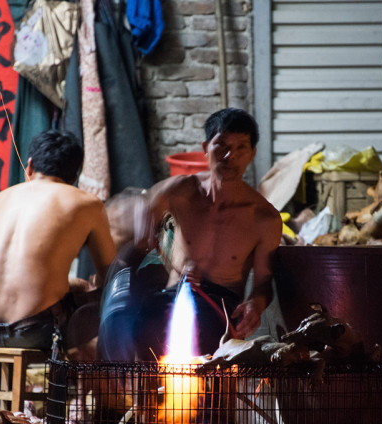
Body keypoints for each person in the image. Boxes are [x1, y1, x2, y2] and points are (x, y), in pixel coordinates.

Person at [98, 108, 282, 361]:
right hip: (172, 298)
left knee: (198, 342)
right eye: (222, 146)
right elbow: (125, 214)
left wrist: (255, 305)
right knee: (130, 321)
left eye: (241, 148)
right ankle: (134, 392)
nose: (231, 156)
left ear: (252, 153)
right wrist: (144, 230)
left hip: (218, 308)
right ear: (206, 148)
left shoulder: (264, 218)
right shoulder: (182, 191)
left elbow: (263, 282)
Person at [0, 129, 117, 390]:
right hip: (33, 330)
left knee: (72, 289)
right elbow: (111, 274)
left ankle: (1, 397)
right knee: (106, 302)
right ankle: (88, 397)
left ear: (31, 165)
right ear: (75, 175)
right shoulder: (87, 203)